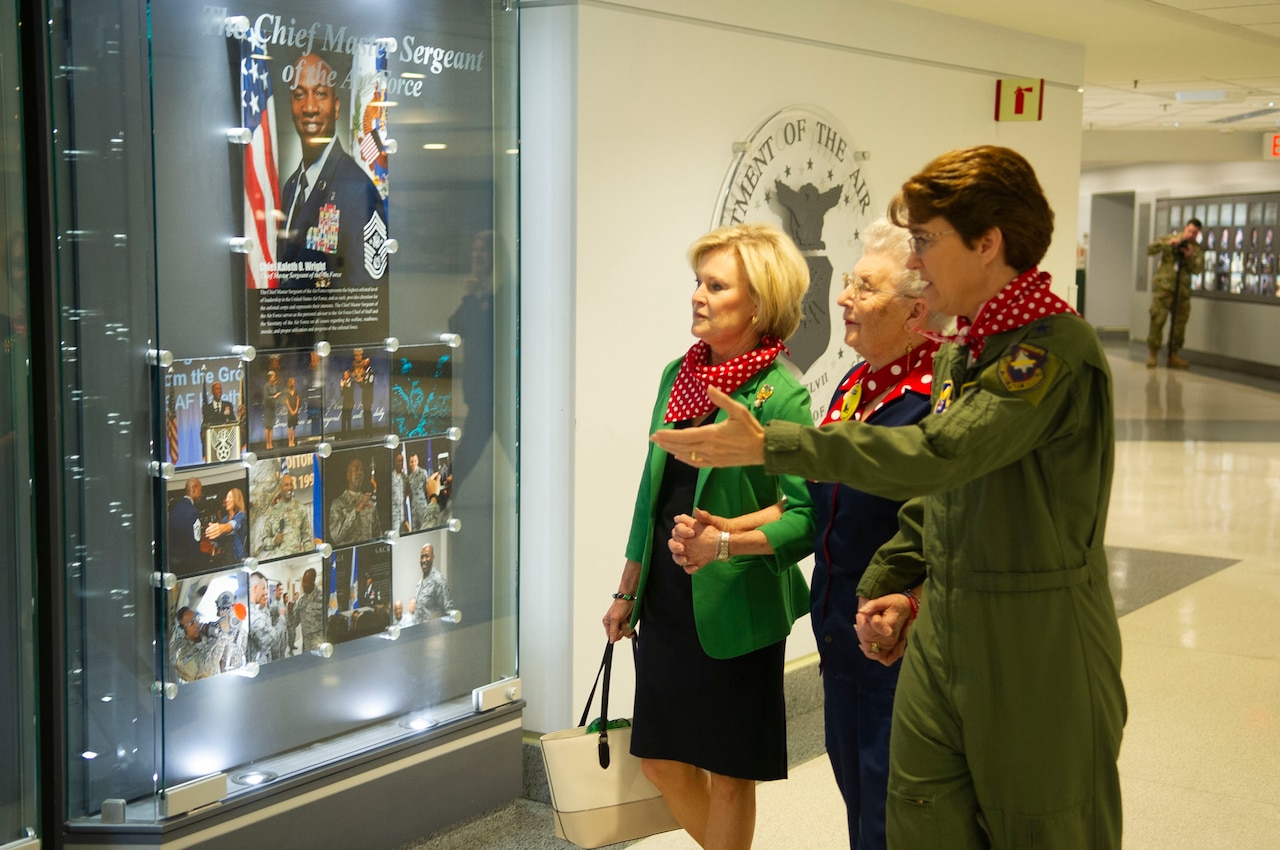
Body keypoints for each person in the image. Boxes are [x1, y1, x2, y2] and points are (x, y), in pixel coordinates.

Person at [651, 146, 1126, 850]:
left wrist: (773, 444)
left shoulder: (1049, 351)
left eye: (929, 241)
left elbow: (940, 456)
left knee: (1042, 826)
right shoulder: (970, 354)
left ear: (987, 244)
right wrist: (895, 582)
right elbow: (944, 505)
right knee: (912, 823)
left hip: (1037, 642)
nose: (920, 259)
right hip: (941, 631)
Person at [669, 218, 948, 850]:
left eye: (864, 288)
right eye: (849, 281)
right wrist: (728, 531)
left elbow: (954, 532)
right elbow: (814, 510)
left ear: (916, 310)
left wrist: (912, 603)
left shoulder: (934, 403)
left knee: (897, 812)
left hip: (901, 643)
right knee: (860, 798)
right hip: (840, 634)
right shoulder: (855, 390)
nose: (843, 298)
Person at [601, 223, 815, 850]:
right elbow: (653, 492)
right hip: (667, 597)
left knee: (728, 775)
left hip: (736, 605)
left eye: (716, 285)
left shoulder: (784, 394)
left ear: (758, 303)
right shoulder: (680, 374)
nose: (697, 295)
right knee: (661, 761)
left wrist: (723, 544)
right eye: (698, 281)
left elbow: (803, 517)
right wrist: (626, 589)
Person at [277, 53, 388, 289]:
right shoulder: (291, 187)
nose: (309, 107)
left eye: (320, 94)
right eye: (299, 95)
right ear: (291, 104)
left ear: (336, 107)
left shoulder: (357, 189)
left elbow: (365, 292)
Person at [1146, 218, 1203, 369]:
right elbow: (1150, 249)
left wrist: (1189, 256)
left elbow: (1198, 270)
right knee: (1157, 320)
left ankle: (1174, 355)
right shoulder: (1170, 239)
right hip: (1164, 289)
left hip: (1182, 292)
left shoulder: (1196, 249)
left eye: (1195, 233)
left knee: (1179, 326)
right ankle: (1153, 355)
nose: (1191, 235)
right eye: (1190, 231)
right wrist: (1167, 243)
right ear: (1185, 228)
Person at [254, 471, 314, 559]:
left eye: (291, 484)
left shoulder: (300, 509)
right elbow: (264, 543)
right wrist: (274, 541)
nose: (289, 487)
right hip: (279, 562)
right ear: (280, 488)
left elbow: (307, 538)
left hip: (296, 560)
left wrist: (307, 556)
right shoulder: (272, 512)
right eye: (286, 485)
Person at [328, 456, 381, 545]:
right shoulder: (338, 504)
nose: (360, 473)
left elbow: (378, 534)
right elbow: (335, 536)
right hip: (348, 556)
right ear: (348, 475)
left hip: (368, 555)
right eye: (356, 469)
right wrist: (355, 512)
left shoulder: (369, 504)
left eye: (362, 470)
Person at [170, 606, 227, 683]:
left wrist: (219, 630)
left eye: (196, 619)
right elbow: (204, 670)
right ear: (181, 629)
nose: (196, 624)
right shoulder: (179, 650)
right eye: (191, 623)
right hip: (198, 690)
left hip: (218, 686)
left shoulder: (208, 637)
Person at [247, 571, 288, 664]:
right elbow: (273, 639)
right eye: (264, 588)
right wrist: (281, 617)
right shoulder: (256, 616)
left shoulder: (251, 609)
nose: (266, 592)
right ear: (255, 588)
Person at [168, 477, 206, 575]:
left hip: (174, 563)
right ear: (194, 489)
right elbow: (195, 542)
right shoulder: (193, 512)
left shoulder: (175, 509)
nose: (201, 495)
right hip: (188, 565)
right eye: (200, 491)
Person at [413, 543, 456, 622]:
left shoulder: (438, 581)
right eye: (422, 557)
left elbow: (448, 610)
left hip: (433, 632)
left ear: (432, 557)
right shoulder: (419, 584)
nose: (424, 560)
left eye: (427, 556)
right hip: (419, 631)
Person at [204, 487, 248, 566]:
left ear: (236, 500)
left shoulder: (240, 515)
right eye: (226, 497)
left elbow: (234, 525)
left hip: (237, 558)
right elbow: (220, 539)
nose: (226, 500)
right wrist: (211, 539)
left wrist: (222, 528)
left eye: (230, 497)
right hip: (225, 557)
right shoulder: (224, 519)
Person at [287, 567, 326, 653]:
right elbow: (294, 623)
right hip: (306, 647)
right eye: (303, 581)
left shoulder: (322, 597)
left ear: (313, 580)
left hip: (320, 646)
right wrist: (290, 612)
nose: (304, 584)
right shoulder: (301, 601)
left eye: (307, 581)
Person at [200, 378, 237, 460]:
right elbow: (204, 427)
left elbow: (233, 422)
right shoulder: (207, 408)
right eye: (217, 389)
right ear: (212, 391)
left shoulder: (228, 405)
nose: (219, 391)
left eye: (220, 389)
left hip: (227, 445)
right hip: (213, 446)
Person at [262, 370, 281, 450]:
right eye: (273, 377)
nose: (274, 378)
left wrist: (277, 397)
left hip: (273, 407)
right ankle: (267, 444)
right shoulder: (266, 386)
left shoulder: (274, 386)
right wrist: (274, 397)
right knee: (267, 426)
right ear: (270, 378)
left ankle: (271, 443)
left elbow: (276, 395)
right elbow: (266, 397)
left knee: (271, 426)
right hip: (267, 407)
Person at [284, 376, 302, 447]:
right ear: (289, 383)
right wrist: (291, 410)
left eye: (294, 383)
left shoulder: (296, 390)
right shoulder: (287, 391)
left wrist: (296, 408)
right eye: (292, 383)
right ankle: (289, 441)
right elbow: (286, 401)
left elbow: (298, 399)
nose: (294, 384)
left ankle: (292, 440)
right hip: (290, 411)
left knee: (294, 426)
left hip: (295, 410)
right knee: (289, 426)